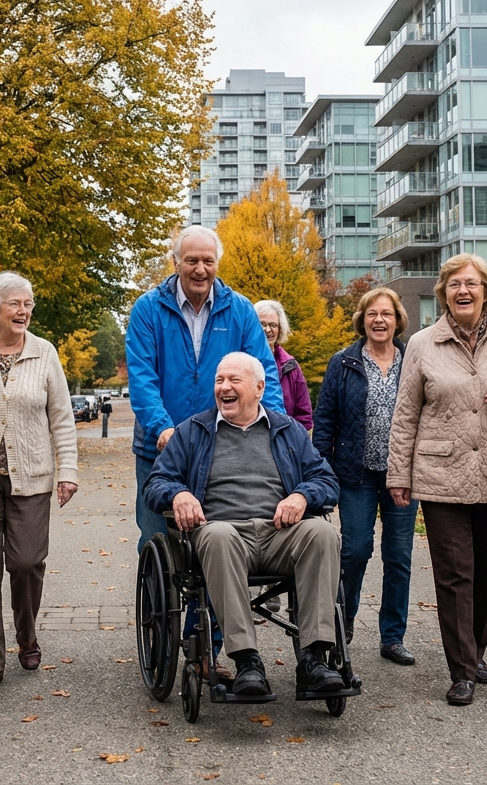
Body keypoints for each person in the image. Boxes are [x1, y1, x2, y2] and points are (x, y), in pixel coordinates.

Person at [387, 254, 487, 707]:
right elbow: (405, 415)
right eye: (455, 283)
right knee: (455, 574)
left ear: (486, 292)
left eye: (472, 284)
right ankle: (462, 670)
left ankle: (473, 653)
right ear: (443, 293)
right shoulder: (421, 343)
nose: (463, 291)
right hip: (441, 474)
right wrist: (399, 474)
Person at [143, 352, 343, 697]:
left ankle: (314, 658)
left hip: (280, 534)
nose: (224, 387)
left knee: (322, 533)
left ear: (260, 388)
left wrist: (301, 497)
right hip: (223, 535)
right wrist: (177, 495)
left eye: (234, 380)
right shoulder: (193, 431)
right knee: (219, 535)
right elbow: (156, 483)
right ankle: (247, 660)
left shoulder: (287, 430)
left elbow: (325, 480)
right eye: (220, 381)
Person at [0, 272, 79, 693]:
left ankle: (27, 633)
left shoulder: (44, 353)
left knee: (26, 564)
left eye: (28, 304)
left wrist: (68, 471)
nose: (24, 311)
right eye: (15, 304)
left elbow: (61, 416)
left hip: (33, 478)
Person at [126, 225, 283, 552]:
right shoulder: (148, 309)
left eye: (208, 261)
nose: (200, 269)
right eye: (192, 260)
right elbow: (142, 377)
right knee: (158, 541)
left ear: (217, 263)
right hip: (161, 446)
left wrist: (277, 426)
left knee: (218, 543)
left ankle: (212, 603)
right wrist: (162, 428)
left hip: (221, 444)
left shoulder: (239, 310)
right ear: (175, 262)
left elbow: (261, 374)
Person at [313, 287, 417, 666]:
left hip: (402, 476)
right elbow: (325, 421)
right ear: (362, 319)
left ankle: (392, 637)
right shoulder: (343, 362)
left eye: (386, 314)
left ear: (397, 320)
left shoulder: (412, 361)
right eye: (372, 313)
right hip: (355, 476)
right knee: (355, 552)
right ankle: (344, 622)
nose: (379, 320)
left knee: (399, 556)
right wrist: (319, 472)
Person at [254, 299, 313, 431]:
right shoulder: (241, 361)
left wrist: (296, 442)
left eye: (273, 325)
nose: (267, 329)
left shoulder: (291, 366)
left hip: (283, 437)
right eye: (262, 324)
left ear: (280, 329)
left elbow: (303, 414)